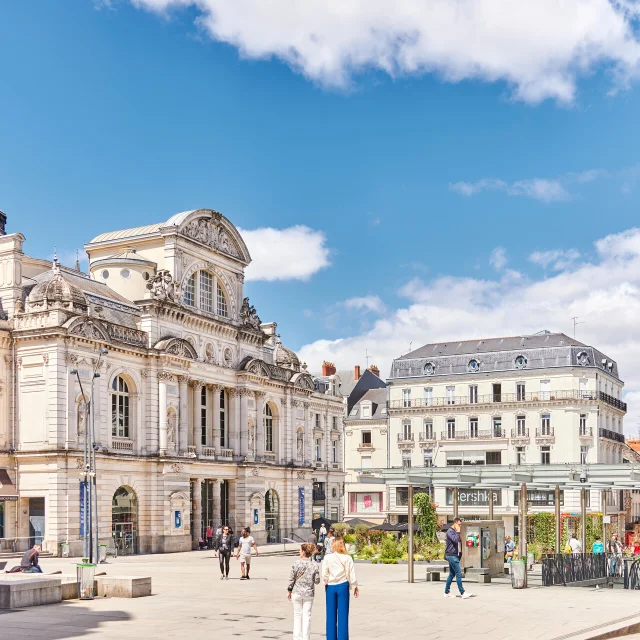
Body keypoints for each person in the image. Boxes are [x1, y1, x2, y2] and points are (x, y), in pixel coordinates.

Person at [322, 537, 358, 640]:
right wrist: (355, 586)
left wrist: (325, 583)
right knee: (343, 616)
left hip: (331, 586)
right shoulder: (347, 558)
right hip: (343, 586)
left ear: (333, 545)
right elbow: (352, 574)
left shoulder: (327, 558)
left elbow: (324, 574)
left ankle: (331, 638)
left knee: (330, 615)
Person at [287, 543, 321, 640]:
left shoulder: (296, 563)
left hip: (297, 592)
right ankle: (306, 638)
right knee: (307, 616)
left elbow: (291, 579)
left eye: (300, 550)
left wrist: (289, 590)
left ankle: (297, 638)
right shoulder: (314, 564)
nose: (299, 552)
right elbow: (317, 581)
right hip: (309, 593)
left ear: (303, 552)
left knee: (297, 615)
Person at [444, 518, 472, 599]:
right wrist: (458, 532)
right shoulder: (450, 532)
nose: (460, 526)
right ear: (455, 523)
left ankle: (446, 592)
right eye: (459, 524)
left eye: (460, 525)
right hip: (452, 555)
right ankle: (462, 593)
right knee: (458, 574)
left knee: (451, 574)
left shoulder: (453, 532)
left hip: (455, 555)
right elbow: (455, 540)